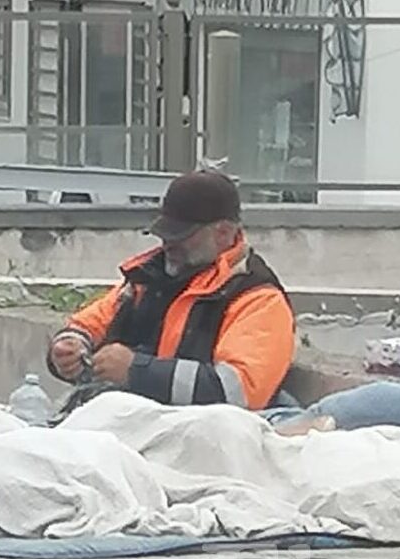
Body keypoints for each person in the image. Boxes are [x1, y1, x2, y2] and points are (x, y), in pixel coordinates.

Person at [46, 169, 295, 410]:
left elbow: (238, 392)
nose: (168, 244)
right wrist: (69, 348)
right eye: (165, 233)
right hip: (132, 420)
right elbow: (90, 324)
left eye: (181, 235)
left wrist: (137, 371)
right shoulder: (150, 277)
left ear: (223, 233)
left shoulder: (258, 298)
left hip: (197, 437)